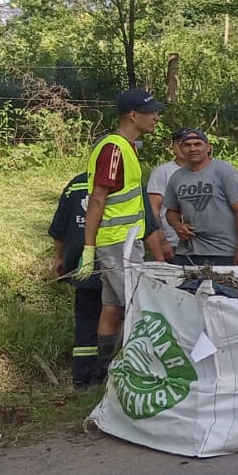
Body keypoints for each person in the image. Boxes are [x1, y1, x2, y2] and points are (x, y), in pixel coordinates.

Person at [51, 174, 167, 386]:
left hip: (83, 265)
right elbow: (148, 225)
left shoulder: (76, 183)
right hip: (115, 262)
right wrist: (159, 259)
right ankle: (116, 374)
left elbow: (59, 226)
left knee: (88, 319)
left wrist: (59, 257)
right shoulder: (130, 183)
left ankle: (85, 379)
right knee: (125, 312)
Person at [75, 88, 163, 362]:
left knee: (112, 307)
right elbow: (97, 199)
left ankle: (104, 370)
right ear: (133, 115)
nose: (156, 118)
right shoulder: (114, 149)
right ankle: (135, 368)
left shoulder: (127, 147)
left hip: (125, 240)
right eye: (151, 112)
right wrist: (89, 248)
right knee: (138, 305)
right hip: (117, 243)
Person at [164, 128, 238, 266]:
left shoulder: (224, 172)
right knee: (182, 288)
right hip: (187, 252)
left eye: (197, 144)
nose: (192, 148)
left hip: (222, 251)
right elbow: (171, 211)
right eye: (187, 145)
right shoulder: (177, 177)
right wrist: (177, 225)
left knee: (222, 288)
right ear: (180, 148)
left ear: (208, 146)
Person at [144, 128, 187, 257]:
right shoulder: (162, 172)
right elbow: (153, 210)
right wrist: (161, 241)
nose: (182, 146)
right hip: (172, 243)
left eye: (186, 142)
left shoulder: (208, 171)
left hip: (202, 244)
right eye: (178, 142)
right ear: (172, 146)